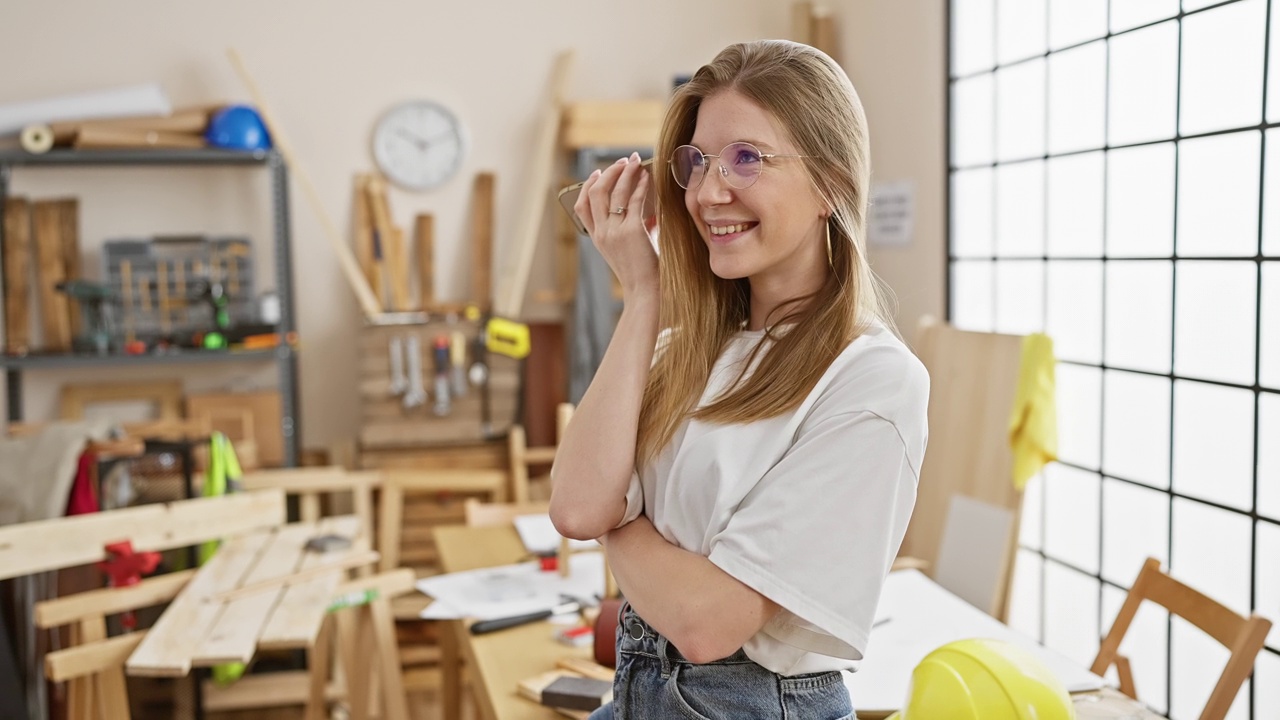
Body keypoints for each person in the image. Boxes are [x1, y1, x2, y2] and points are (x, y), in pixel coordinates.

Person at [549, 39, 929, 719]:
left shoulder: (873, 379)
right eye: (697, 161)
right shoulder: (686, 348)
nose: (707, 192)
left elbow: (706, 621)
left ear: (832, 184)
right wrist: (642, 291)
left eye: (747, 158)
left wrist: (621, 515)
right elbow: (576, 508)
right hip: (638, 689)